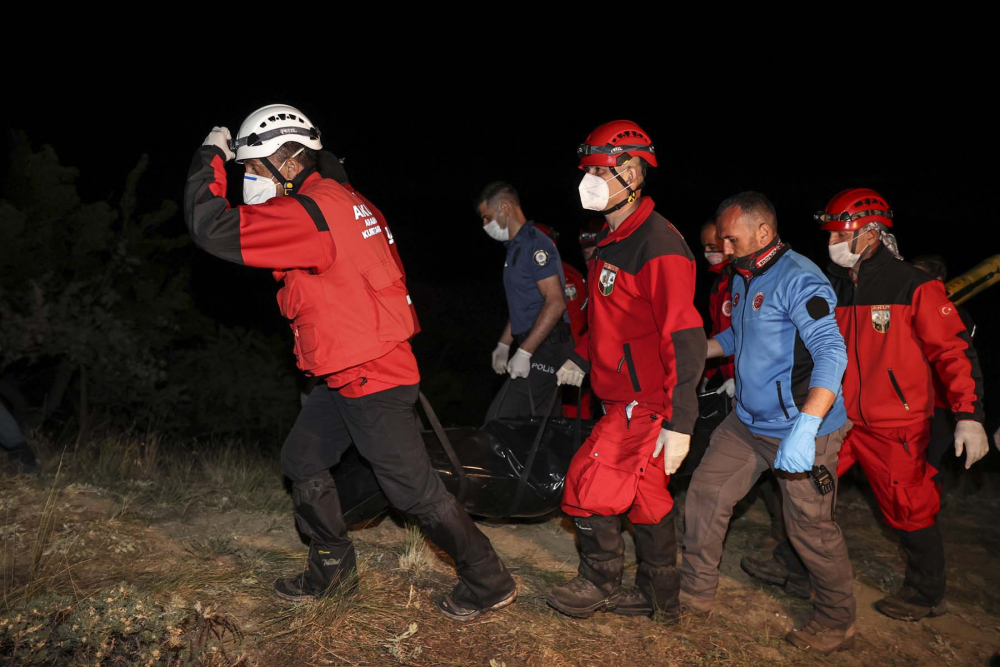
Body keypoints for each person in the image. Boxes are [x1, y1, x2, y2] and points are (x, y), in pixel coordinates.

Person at [184, 104, 516, 621]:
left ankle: (488, 580)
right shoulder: (347, 200)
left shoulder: (307, 213)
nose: (248, 180)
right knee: (302, 459)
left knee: (414, 492)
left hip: (371, 376)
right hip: (349, 369)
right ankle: (332, 571)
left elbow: (210, 227)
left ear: (289, 165)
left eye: (252, 169)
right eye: (243, 171)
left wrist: (210, 158)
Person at [680, 192, 856, 654]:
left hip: (801, 429)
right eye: (722, 239)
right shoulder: (745, 275)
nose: (725, 248)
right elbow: (739, 333)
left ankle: (837, 622)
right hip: (747, 423)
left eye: (731, 239)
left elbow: (831, 352)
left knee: (810, 530)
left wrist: (807, 426)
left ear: (763, 232)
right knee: (705, 495)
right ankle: (693, 596)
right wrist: (696, 350)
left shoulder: (801, 280)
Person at [547, 120, 706, 620]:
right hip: (621, 393)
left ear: (633, 172)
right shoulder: (613, 239)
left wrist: (681, 420)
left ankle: (601, 583)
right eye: (585, 171)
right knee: (648, 500)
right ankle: (661, 600)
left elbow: (683, 336)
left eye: (598, 171)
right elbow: (616, 322)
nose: (586, 182)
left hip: (648, 401)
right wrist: (581, 356)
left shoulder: (658, 246)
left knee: (586, 485)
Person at [819, 188, 987, 621]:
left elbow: (953, 351)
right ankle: (795, 568)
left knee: (910, 506)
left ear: (872, 233)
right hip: (839, 418)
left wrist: (969, 416)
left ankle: (925, 592)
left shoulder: (913, 284)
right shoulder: (835, 283)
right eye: (831, 234)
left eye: (842, 234)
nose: (833, 243)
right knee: (805, 486)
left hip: (896, 424)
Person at [477, 183, 571, 421]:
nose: (485, 225)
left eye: (487, 217)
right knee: (538, 430)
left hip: (546, 347)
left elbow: (556, 302)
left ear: (505, 208)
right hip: (535, 344)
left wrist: (525, 352)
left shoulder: (535, 244)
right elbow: (525, 306)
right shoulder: (514, 249)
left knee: (499, 421)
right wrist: (503, 344)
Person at [535, 224, 592, 419]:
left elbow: (574, 327)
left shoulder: (565, 279)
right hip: (551, 363)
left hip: (567, 364)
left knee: (571, 420)